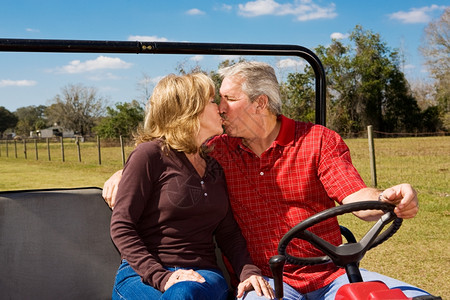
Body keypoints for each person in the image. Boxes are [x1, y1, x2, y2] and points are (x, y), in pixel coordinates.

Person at [104, 62, 430, 299]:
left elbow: (355, 196)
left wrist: (387, 200)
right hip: (270, 281)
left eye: (229, 99)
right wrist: (126, 171)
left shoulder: (317, 140)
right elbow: (170, 149)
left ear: (260, 103)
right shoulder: (220, 152)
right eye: (216, 101)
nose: (220, 108)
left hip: (333, 272)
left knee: (414, 298)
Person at [109, 72, 274, 300]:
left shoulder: (214, 166)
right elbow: (122, 226)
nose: (220, 108)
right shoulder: (149, 155)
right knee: (180, 294)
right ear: (190, 110)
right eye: (212, 101)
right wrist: (162, 277)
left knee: (185, 292)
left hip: (202, 276)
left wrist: (249, 271)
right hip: (143, 275)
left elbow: (228, 233)